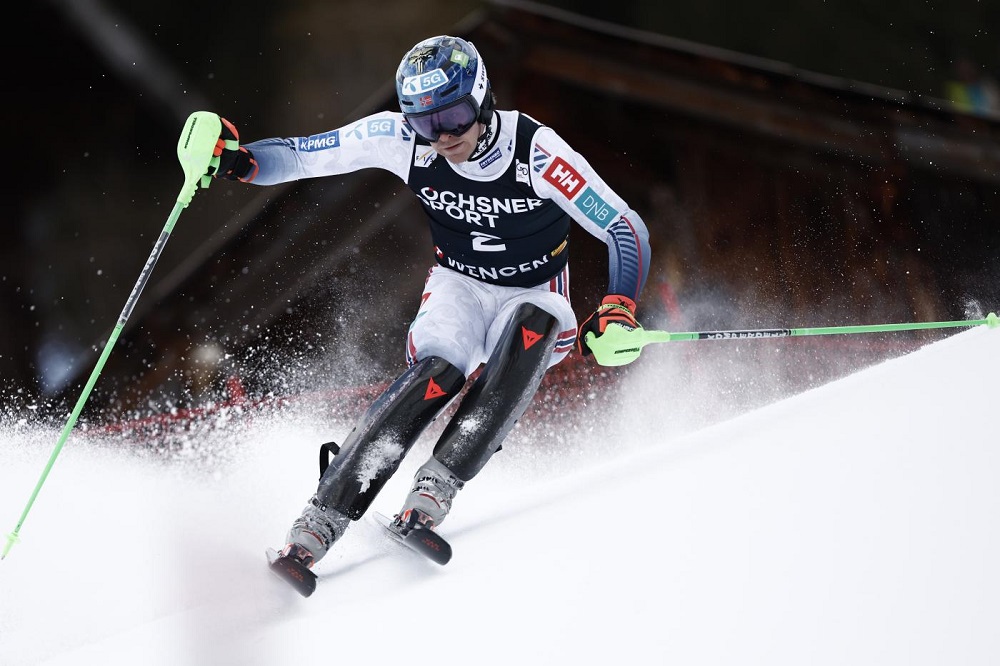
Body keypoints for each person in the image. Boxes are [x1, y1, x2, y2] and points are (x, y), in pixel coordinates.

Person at [206, 35, 652, 571]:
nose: (442, 137)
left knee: (537, 326)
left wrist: (619, 304)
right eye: (425, 123)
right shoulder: (401, 139)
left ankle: (434, 490)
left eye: (456, 117)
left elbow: (624, 227)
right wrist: (238, 161)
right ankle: (319, 520)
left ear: (481, 98)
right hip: (458, 283)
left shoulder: (535, 150)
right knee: (440, 368)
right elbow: (304, 156)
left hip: (534, 289)